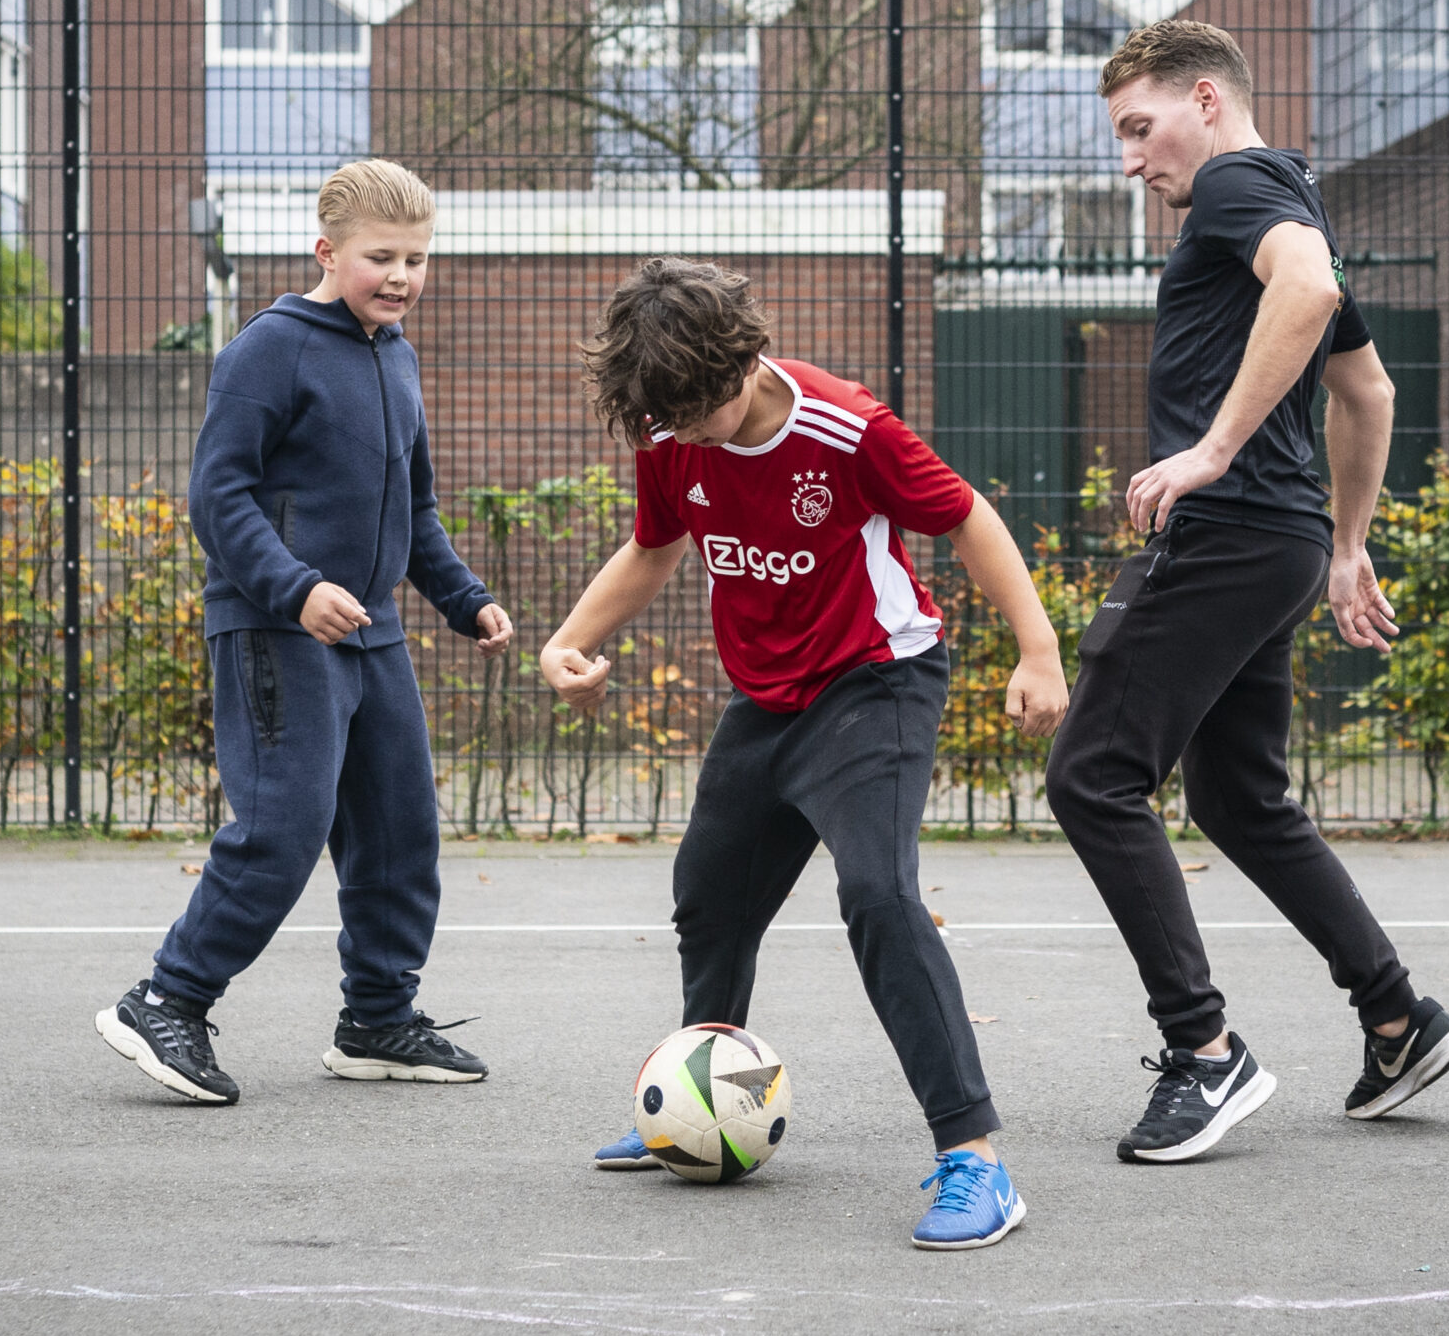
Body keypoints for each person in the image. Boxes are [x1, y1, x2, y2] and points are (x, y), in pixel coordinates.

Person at [540, 259, 1068, 1251]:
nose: (691, 431)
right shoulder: (667, 431)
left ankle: (976, 1158)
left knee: (877, 892)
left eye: (706, 408)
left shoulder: (846, 426)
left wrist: (1038, 650)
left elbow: (966, 518)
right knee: (708, 890)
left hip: (877, 682)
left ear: (746, 356)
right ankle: (698, 1098)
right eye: (673, 418)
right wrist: (570, 637)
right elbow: (655, 546)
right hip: (767, 698)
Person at [1044, 19, 1449, 1163]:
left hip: (1229, 531)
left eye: (1139, 128)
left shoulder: (1238, 186)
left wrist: (1214, 448)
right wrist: (1341, 546)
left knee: (1092, 775)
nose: (1131, 159)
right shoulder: (1288, 194)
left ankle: (1204, 1051)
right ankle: (1398, 1019)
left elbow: (1310, 288)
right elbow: (1369, 390)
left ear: (1204, 97)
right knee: (1238, 798)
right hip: (1278, 541)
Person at [95, 159, 515, 1105]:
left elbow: (418, 508)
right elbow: (219, 494)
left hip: (374, 636)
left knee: (401, 832)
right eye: (381, 257)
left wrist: (464, 598)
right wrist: (294, 590)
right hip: (276, 628)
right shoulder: (269, 348)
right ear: (327, 251)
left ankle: (377, 1017)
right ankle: (167, 999)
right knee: (286, 825)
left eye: (416, 259)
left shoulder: (394, 355)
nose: (401, 277)